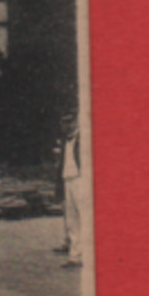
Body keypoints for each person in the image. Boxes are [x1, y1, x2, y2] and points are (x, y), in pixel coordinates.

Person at [56, 111, 83, 268]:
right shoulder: (64, 141)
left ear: (76, 123)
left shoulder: (81, 139)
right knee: (72, 221)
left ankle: (87, 255)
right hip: (68, 180)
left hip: (80, 179)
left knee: (84, 217)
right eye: (64, 123)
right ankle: (75, 257)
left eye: (69, 122)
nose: (66, 126)